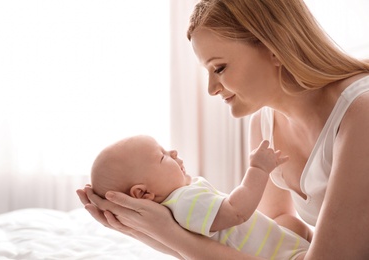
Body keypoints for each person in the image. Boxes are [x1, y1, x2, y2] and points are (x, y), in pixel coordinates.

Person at [77, 0, 369, 259]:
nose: (211, 89)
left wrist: (171, 235)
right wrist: (150, 231)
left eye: (219, 68)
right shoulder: (265, 123)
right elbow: (274, 232)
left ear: (275, 47)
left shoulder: (361, 111)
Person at [90, 135, 310, 259]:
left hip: (276, 247)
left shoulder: (176, 206)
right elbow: (236, 211)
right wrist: (258, 170)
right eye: (162, 156)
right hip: (283, 257)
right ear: (143, 193)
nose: (173, 153)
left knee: (292, 224)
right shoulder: (185, 202)